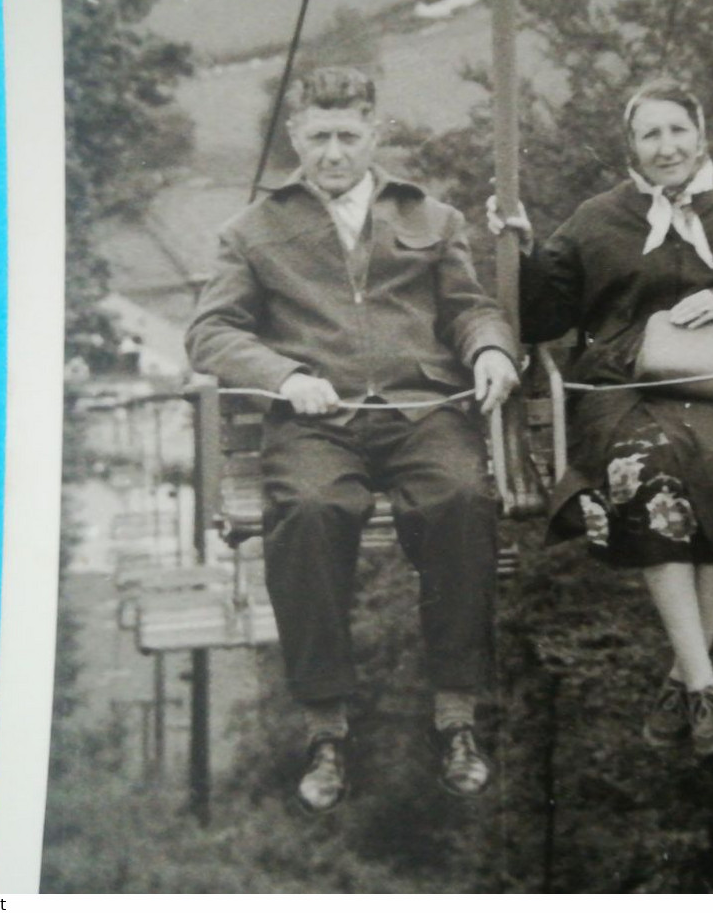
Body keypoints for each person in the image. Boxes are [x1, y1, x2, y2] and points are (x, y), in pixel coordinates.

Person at [186, 65, 520, 808]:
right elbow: (211, 331)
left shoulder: (432, 218)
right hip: (316, 419)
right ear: (296, 137)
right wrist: (283, 376)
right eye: (317, 137)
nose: (333, 153)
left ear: (375, 132)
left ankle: (456, 715)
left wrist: (491, 348)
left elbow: (470, 308)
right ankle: (325, 727)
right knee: (307, 509)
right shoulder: (253, 230)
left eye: (347, 135)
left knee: (463, 497)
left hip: (420, 412)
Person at [489, 77, 713, 757]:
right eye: (652, 134)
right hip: (620, 391)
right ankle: (702, 683)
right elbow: (547, 316)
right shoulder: (597, 219)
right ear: (632, 148)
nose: (667, 146)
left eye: (678, 130)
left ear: (700, 136)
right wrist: (520, 256)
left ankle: (686, 681)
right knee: (650, 469)